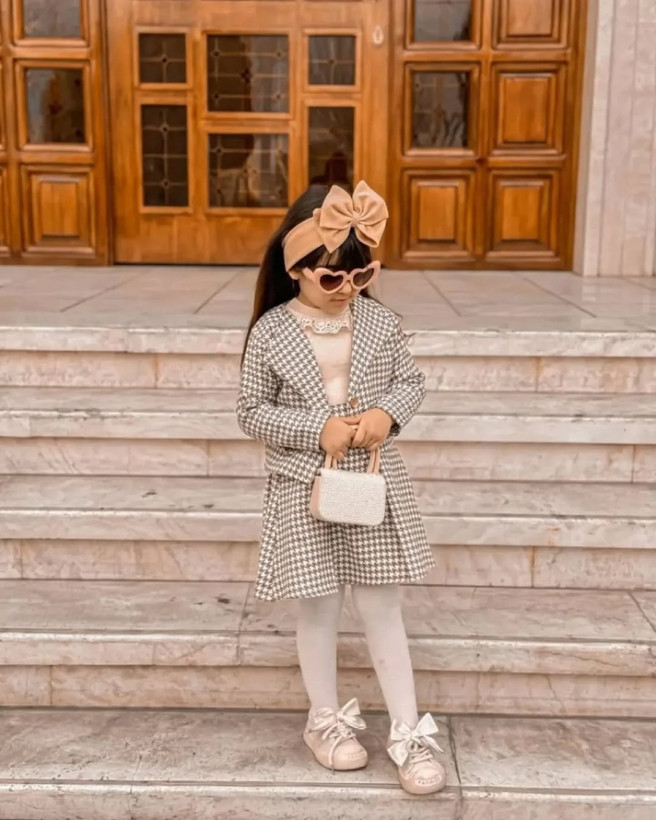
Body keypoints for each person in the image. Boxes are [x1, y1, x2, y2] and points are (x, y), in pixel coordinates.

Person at [237, 181, 446, 796]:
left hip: (373, 481)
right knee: (319, 605)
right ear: (296, 269)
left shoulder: (380, 321)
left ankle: (408, 731)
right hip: (302, 487)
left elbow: (409, 381)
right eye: (331, 277)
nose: (346, 288)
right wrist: (315, 429)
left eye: (360, 275)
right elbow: (251, 411)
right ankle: (324, 720)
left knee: (383, 605)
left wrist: (388, 413)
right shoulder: (271, 332)